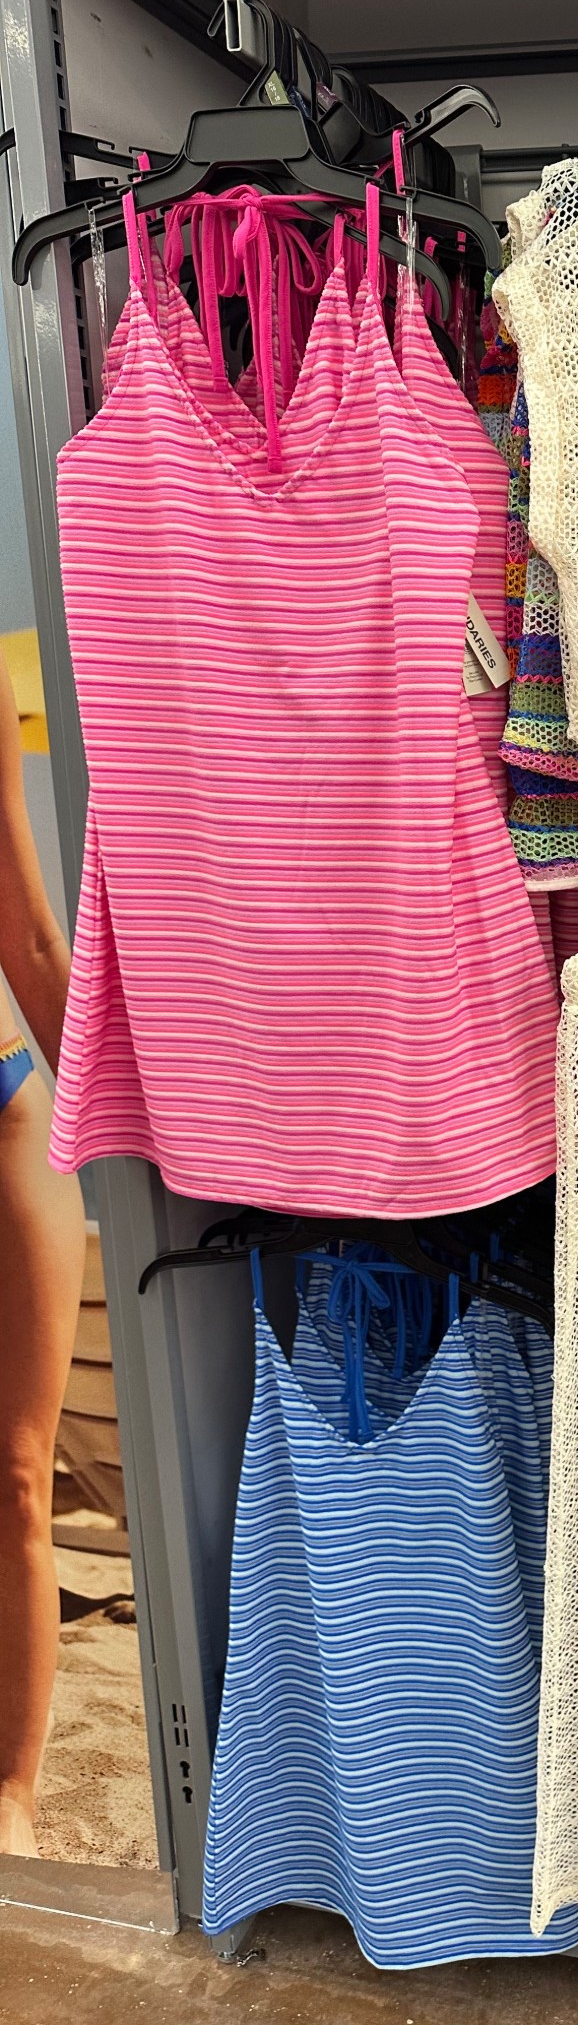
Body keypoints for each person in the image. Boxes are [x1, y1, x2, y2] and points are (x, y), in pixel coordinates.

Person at [0, 658, 84, 1856]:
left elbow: (24, 932)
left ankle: (11, 1793)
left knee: (18, 1476)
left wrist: (138, 1138)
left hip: (7, 1116)